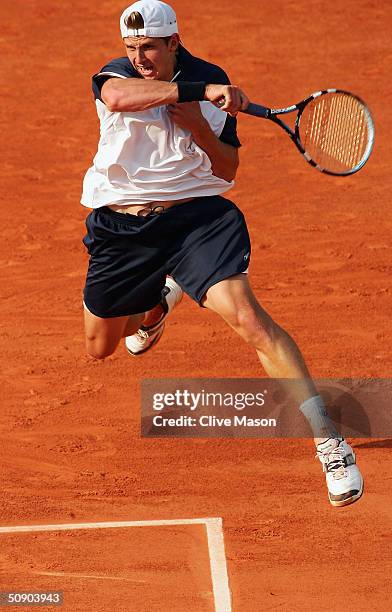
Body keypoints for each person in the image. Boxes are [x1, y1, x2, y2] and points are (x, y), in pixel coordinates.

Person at [81, 0, 363, 507]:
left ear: (174, 42)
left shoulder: (214, 78)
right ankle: (157, 307)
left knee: (250, 319)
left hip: (197, 221)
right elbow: (120, 98)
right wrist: (197, 94)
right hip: (123, 225)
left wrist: (200, 126)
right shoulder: (116, 75)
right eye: (132, 47)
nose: (139, 56)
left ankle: (330, 442)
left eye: (149, 47)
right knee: (101, 345)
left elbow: (228, 169)